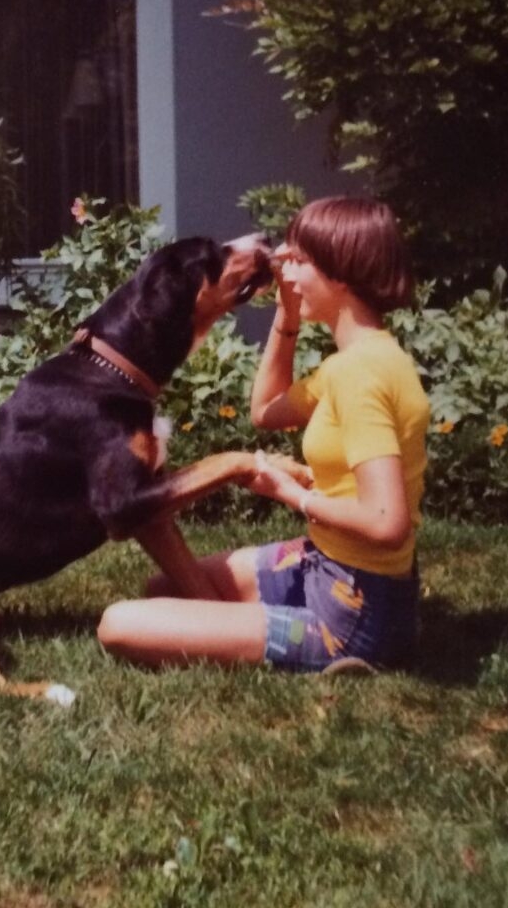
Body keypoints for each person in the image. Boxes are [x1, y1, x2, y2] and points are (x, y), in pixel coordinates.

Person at [97, 196, 430, 673]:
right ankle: (256, 627)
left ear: (341, 273)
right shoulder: (366, 359)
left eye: (300, 262)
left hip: (354, 611)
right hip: (330, 568)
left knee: (119, 623)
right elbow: (266, 411)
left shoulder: (361, 376)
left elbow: (386, 523)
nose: (284, 274)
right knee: (164, 590)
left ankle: (331, 646)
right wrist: (287, 318)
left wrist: (293, 495)